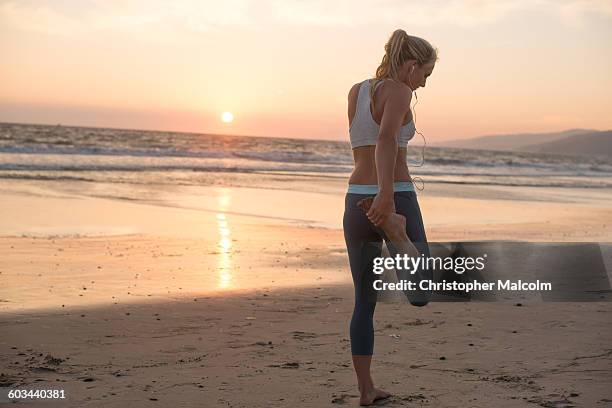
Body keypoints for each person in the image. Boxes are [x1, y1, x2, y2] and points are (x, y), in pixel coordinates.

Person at [343, 29, 437, 405]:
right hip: (392, 196)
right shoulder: (400, 91)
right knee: (422, 290)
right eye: (425, 75)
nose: (423, 84)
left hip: (354, 200)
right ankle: (399, 236)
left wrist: (373, 197)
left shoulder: (356, 90)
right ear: (411, 65)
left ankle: (366, 390)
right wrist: (386, 201)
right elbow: (384, 140)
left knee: (364, 302)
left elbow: (361, 145)